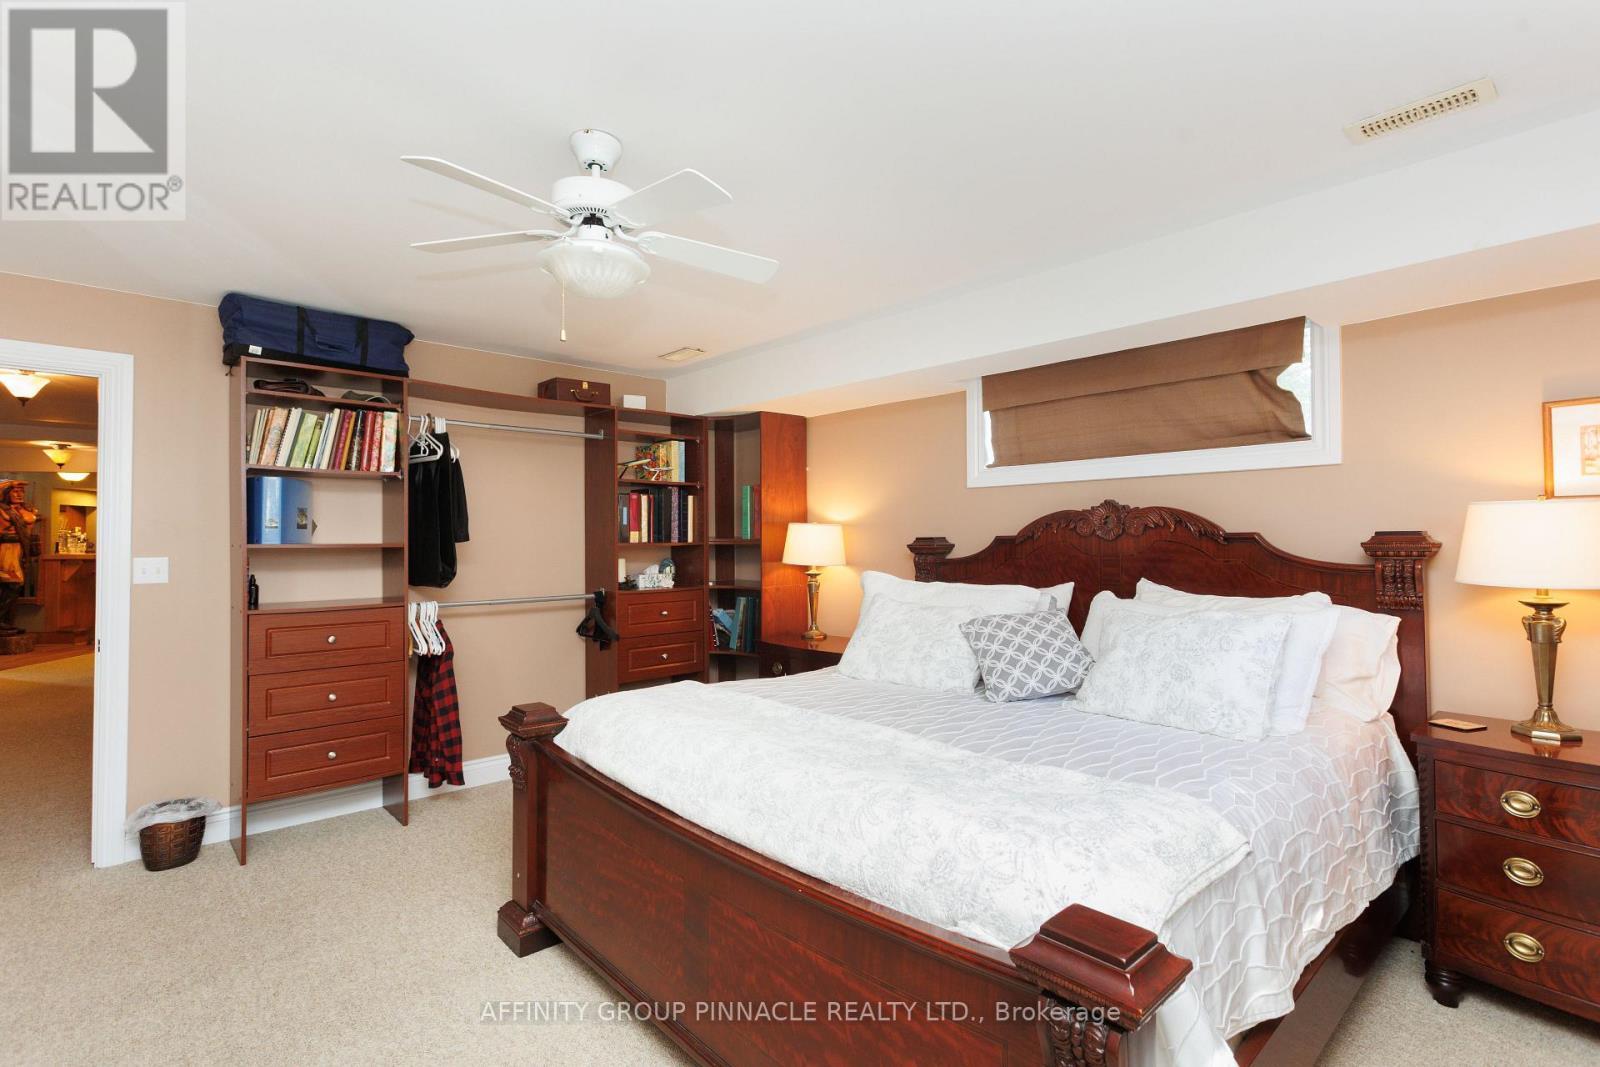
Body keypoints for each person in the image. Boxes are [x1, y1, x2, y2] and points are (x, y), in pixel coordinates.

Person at [0, 480, 41, 635]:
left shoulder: (23, 510)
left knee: (14, 586)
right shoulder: (3, 511)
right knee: (11, 584)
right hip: (6, 552)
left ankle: (7, 621)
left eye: (21, 491)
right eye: (15, 491)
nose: (19, 494)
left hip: (19, 552)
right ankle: (2, 621)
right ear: (5, 493)